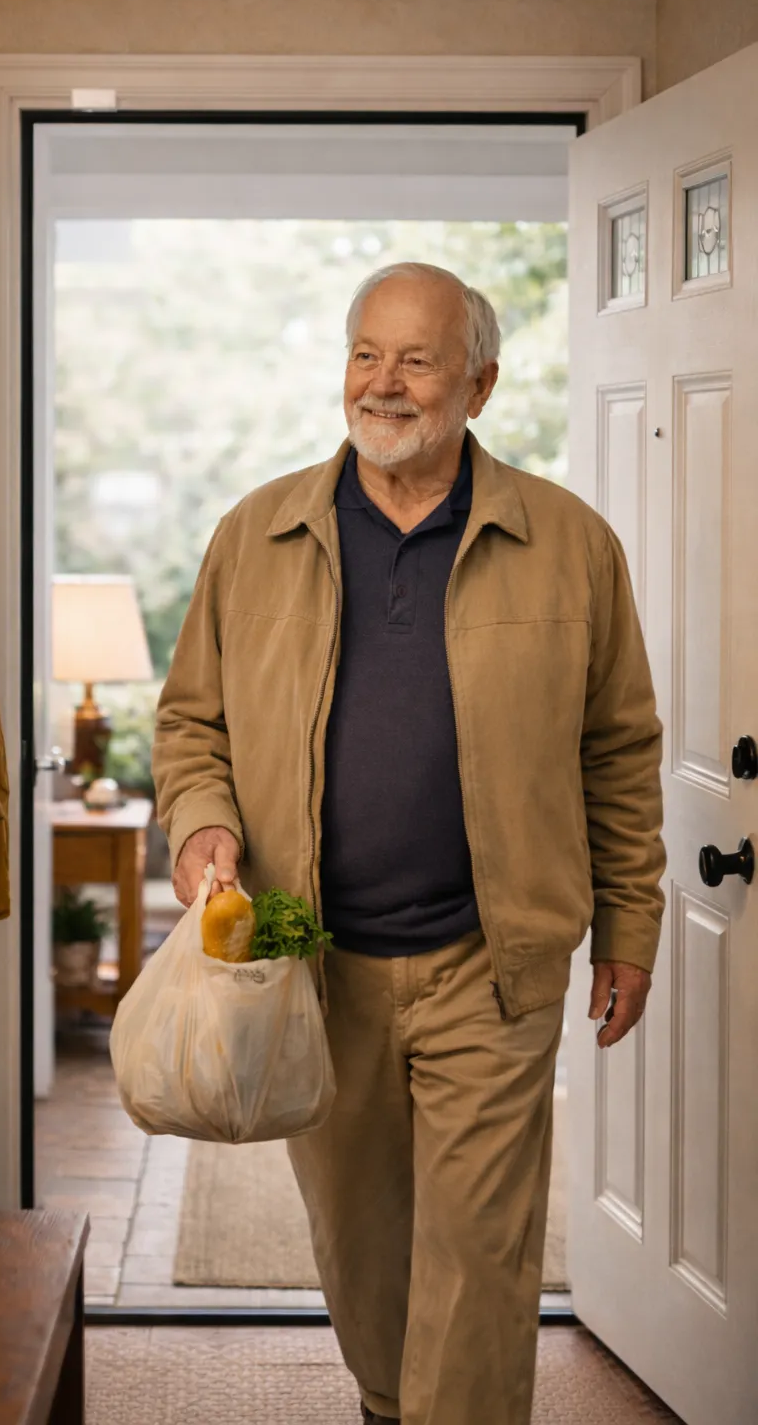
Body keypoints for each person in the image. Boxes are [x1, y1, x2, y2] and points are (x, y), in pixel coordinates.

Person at [152, 262, 664, 1425]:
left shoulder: (570, 545)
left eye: (417, 360)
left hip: (493, 968)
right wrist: (204, 823)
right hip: (311, 973)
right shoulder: (257, 534)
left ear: (477, 383)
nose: (382, 384)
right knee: (362, 1255)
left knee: (478, 1269)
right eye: (364, 353)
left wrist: (629, 928)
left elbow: (620, 753)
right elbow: (191, 723)